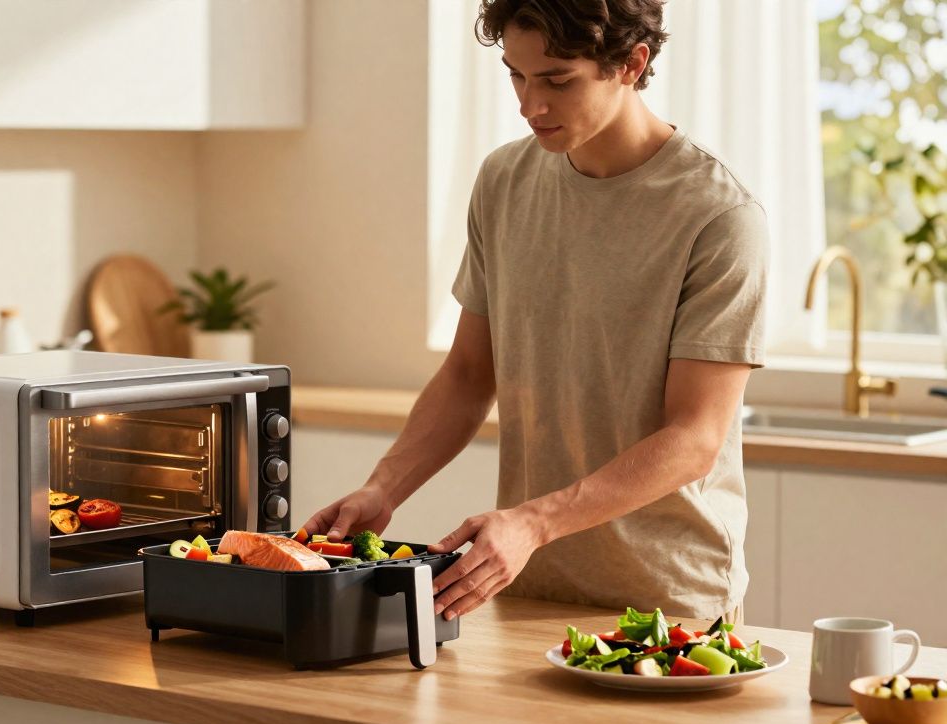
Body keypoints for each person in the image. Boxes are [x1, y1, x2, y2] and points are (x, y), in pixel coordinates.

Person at [303, 0, 768, 624]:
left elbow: (694, 439)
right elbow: (470, 374)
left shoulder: (716, 215)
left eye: (557, 80)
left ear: (632, 64)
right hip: (527, 584)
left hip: (668, 600)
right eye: (516, 75)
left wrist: (534, 521)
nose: (530, 104)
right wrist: (382, 490)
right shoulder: (503, 181)